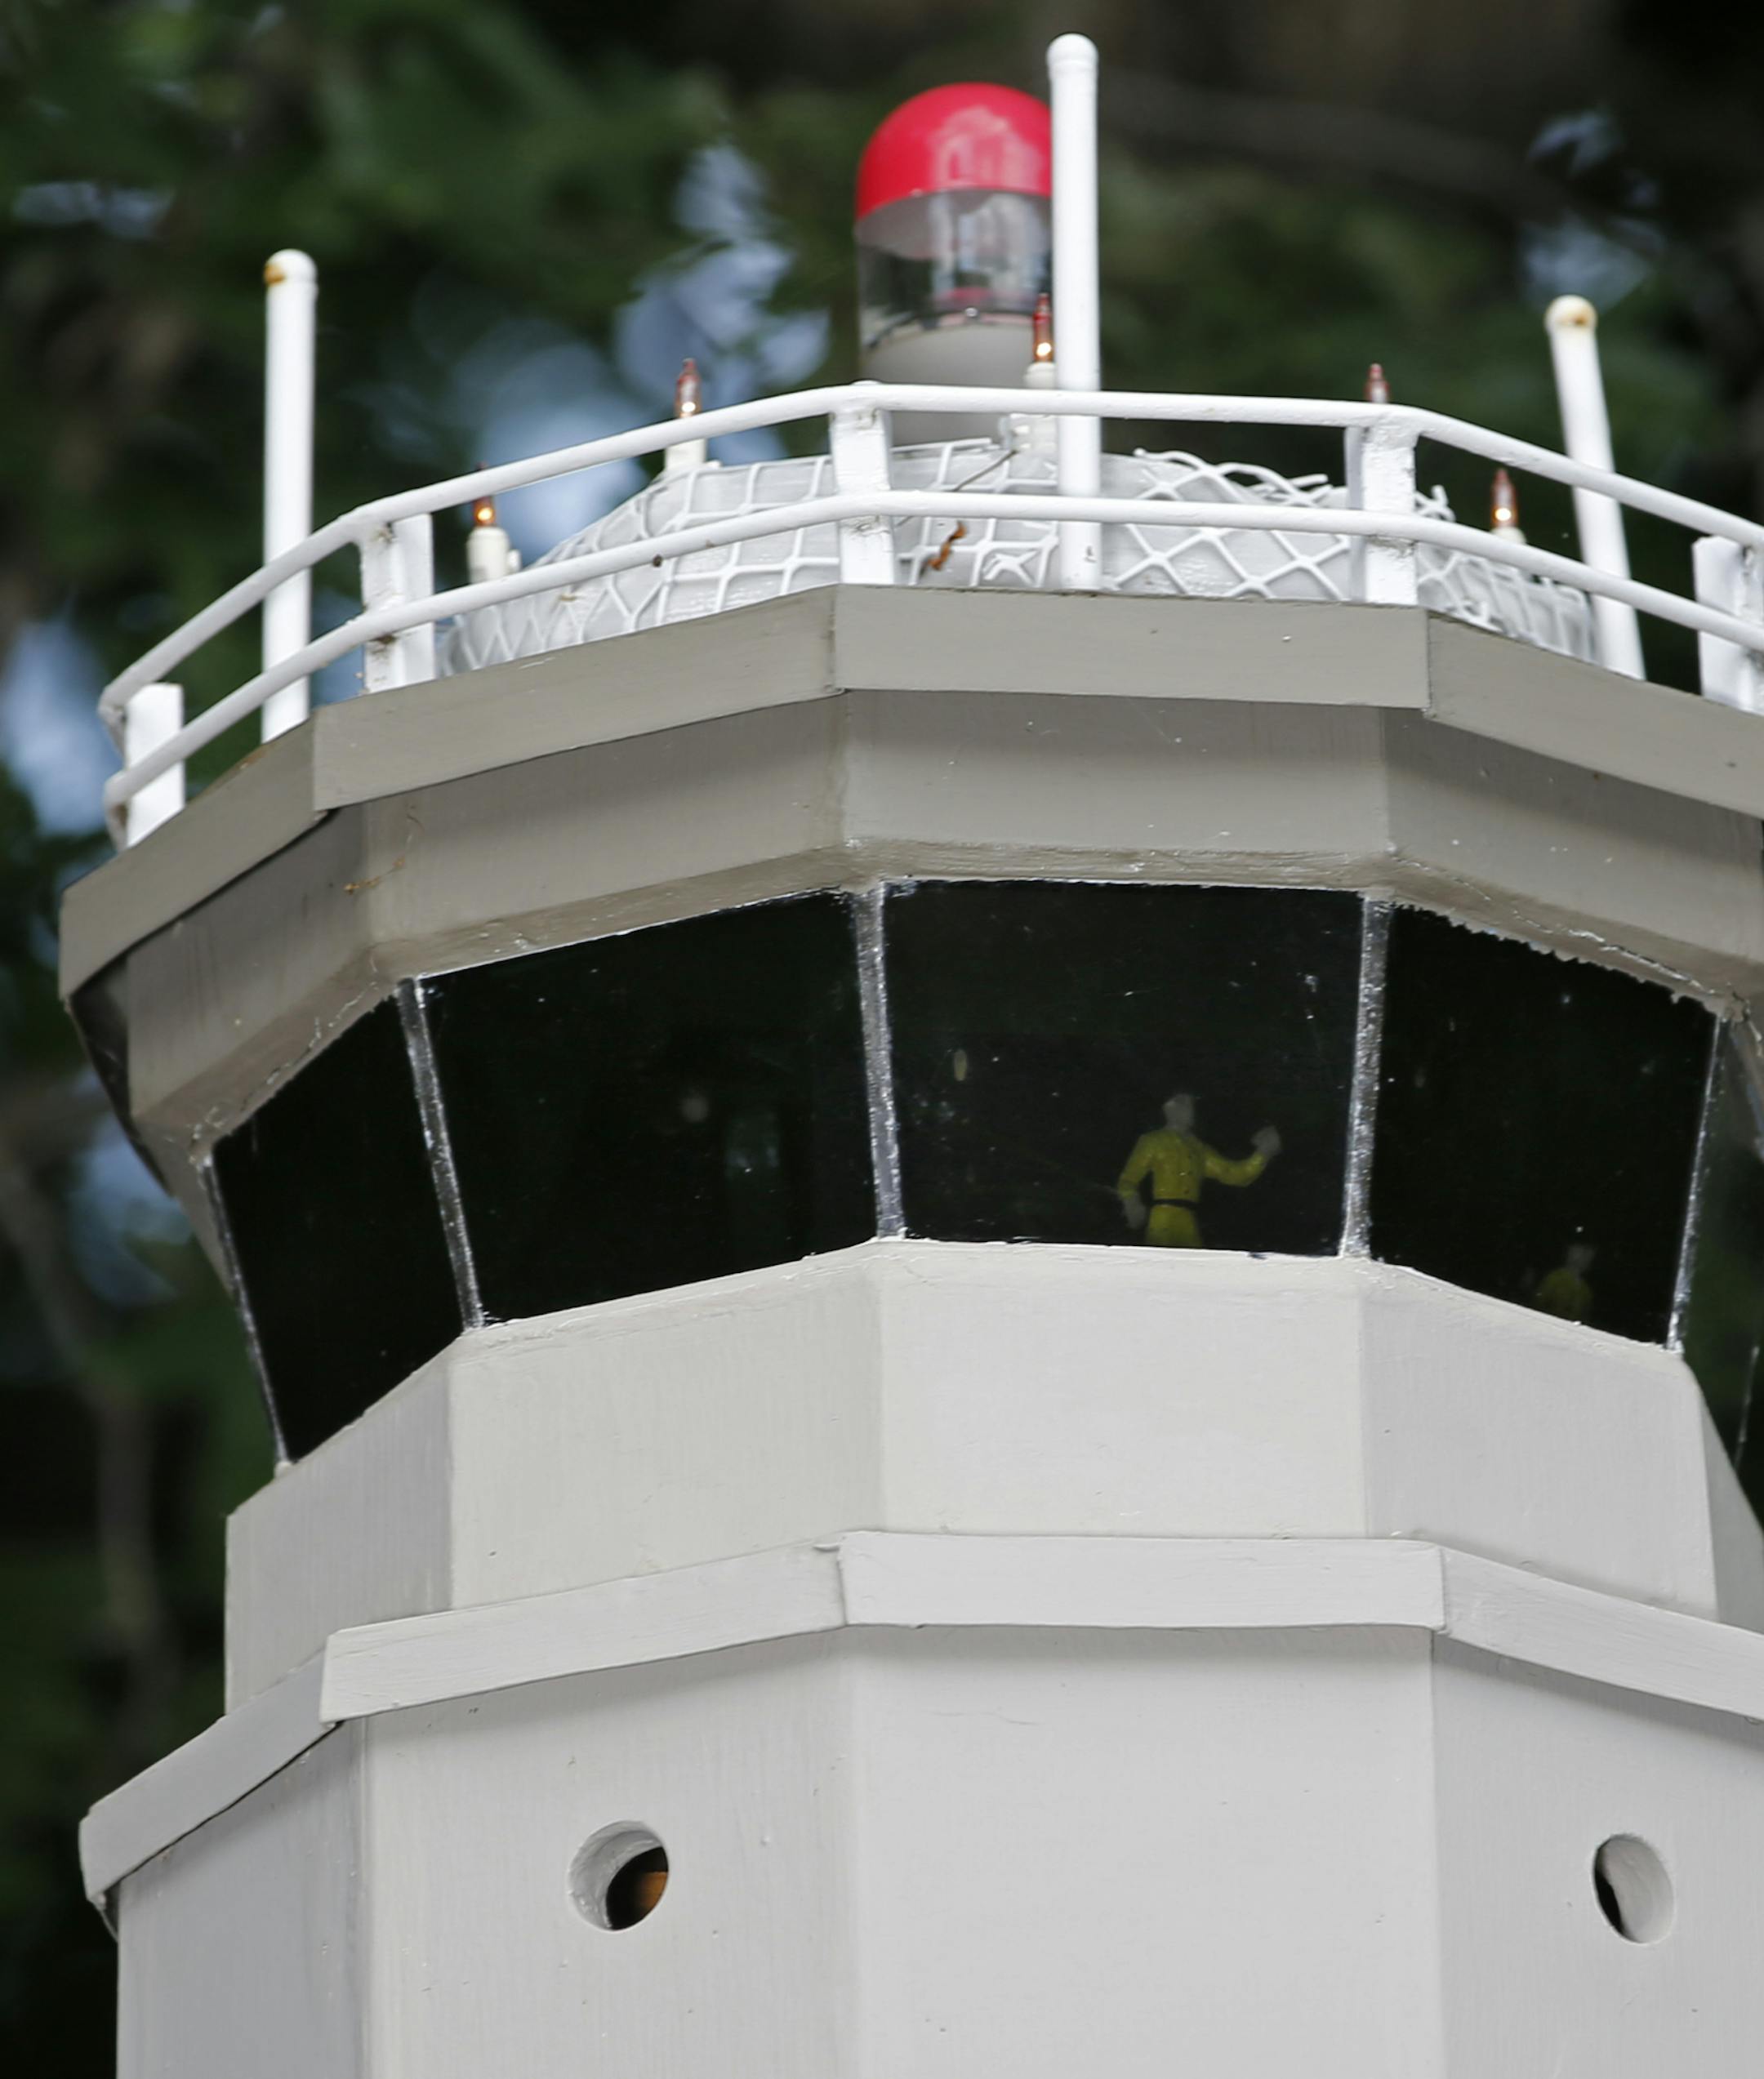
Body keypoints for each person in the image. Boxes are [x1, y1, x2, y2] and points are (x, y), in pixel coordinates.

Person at [1116, 1093, 1281, 1248]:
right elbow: (1128, 1180)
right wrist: (1132, 1202)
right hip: (1161, 1221)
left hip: (1188, 1222)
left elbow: (1233, 1174)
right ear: (1168, 1108)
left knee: (1192, 1263)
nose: (1189, 1109)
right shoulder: (1153, 1141)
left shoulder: (1199, 1150)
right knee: (1161, 1260)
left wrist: (1262, 1154)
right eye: (1182, 1102)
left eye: (1190, 1104)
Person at [1534, 1240, 1596, 1323]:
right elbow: (1538, 1305)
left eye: (1589, 1254)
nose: (1585, 1257)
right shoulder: (1555, 1278)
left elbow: (1584, 1318)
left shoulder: (1586, 1290)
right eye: (1583, 1252)